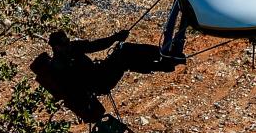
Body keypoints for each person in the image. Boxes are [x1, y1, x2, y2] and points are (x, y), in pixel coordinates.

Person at [31, 28, 185, 122]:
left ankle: (163, 58)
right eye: (64, 43)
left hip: (100, 75)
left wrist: (115, 38)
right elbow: (75, 87)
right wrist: (115, 38)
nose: (68, 44)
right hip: (99, 82)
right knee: (125, 54)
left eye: (68, 41)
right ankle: (164, 61)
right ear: (56, 47)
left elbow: (95, 45)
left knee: (125, 55)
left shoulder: (72, 49)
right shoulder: (60, 66)